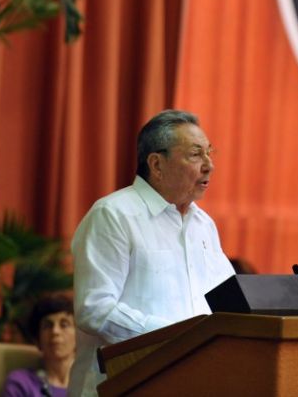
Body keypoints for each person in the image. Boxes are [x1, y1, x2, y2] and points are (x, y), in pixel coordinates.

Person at [68, 110, 235, 396]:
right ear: (157, 164)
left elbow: (228, 301)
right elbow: (95, 309)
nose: (209, 165)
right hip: (123, 384)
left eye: (209, 153)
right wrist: (178, 338)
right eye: (196, 155)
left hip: (191, 380)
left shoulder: (203, 225)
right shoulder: (113, 215)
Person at [2, 295, 75, 397]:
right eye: (47, 325)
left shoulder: (92, 382)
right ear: (37, 339)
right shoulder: (21, 383)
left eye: (64, 325)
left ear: (79, 336)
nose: (55, 331)